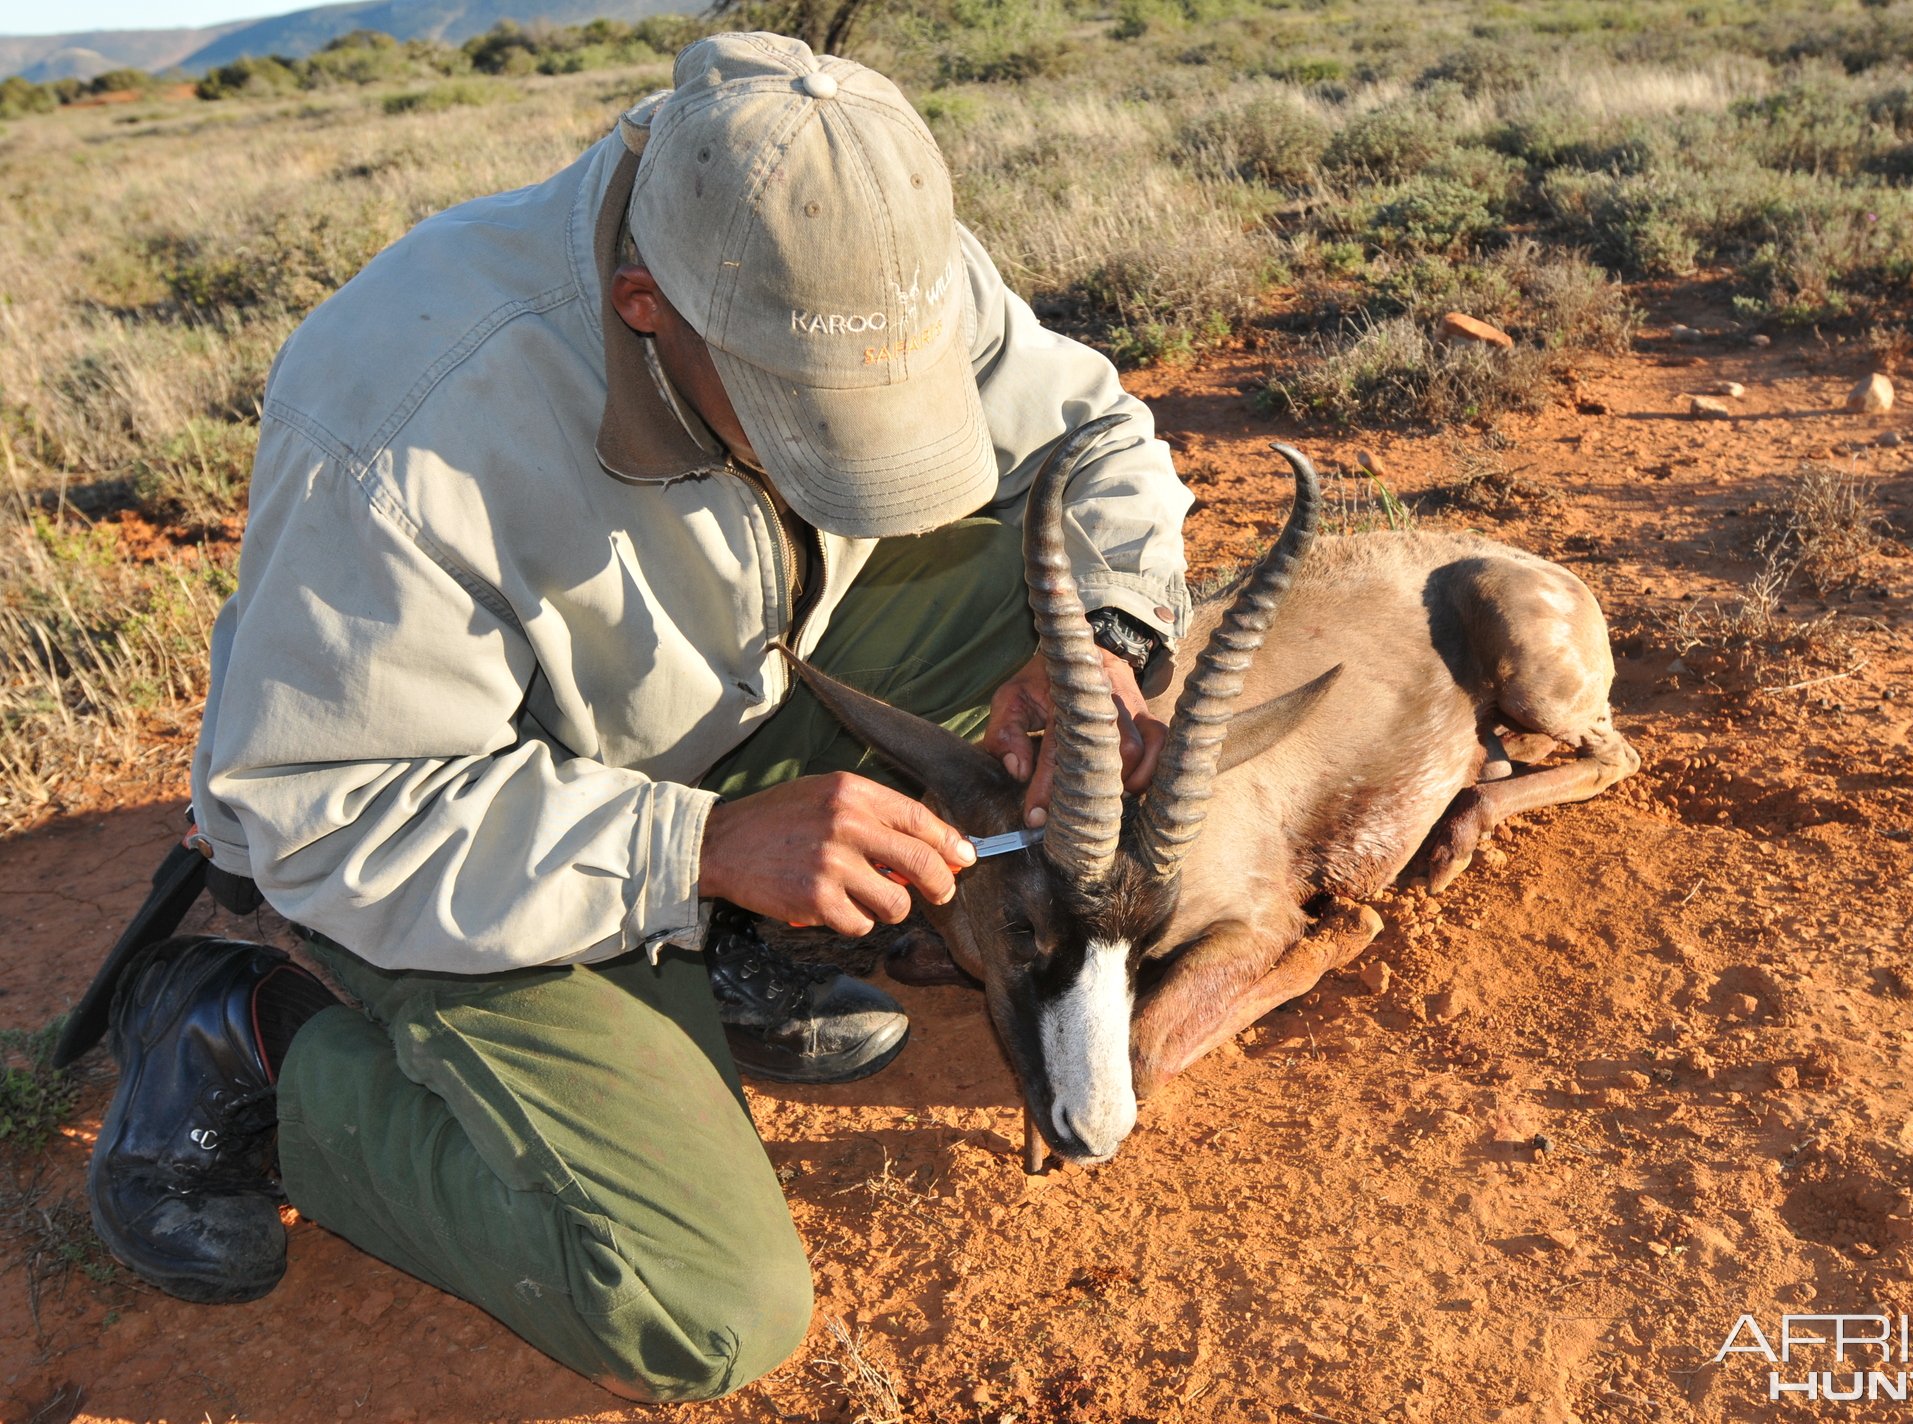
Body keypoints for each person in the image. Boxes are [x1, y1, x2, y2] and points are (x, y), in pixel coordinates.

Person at [83, 32, 1191, 1402]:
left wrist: (1102, 642)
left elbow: (1095, 444)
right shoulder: (410, 416)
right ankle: (248, 1037)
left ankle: (727, 953)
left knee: (1020, 594)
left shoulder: (860, 261)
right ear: (645, 304)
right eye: (808, 420)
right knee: (698, 1302)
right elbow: (325, 809)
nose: (852, 455)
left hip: (709, 705)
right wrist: (695, 853)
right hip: (446, 848)